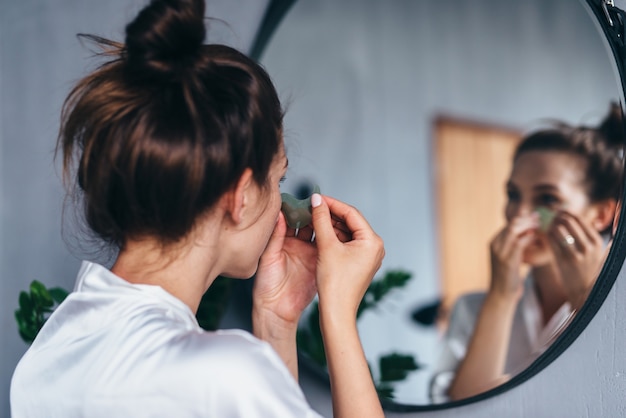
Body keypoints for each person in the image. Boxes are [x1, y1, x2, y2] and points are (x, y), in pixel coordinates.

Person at [10, 1, 386, 417]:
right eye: (276, 181)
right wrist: (338, 313)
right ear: (240, 195)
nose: (279, 202)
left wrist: (276, 320)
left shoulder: (53, 349)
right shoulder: (221, 376)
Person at [430, 103, 624, 403]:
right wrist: (500, 297)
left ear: (601, 215)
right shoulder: (471, 310)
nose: (519, 215)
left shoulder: (620, 307)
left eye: (547, 198)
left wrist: (585, 300)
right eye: (513, 195)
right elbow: (460, 409)